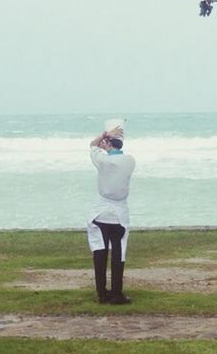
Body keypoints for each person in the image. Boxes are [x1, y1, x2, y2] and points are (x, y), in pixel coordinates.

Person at [86, 118, 136, 305]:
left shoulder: (102, 161)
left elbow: (92, 145)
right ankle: (116, 294)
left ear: (107, 144)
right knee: (118, 254)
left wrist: (104, 135)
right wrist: (111, 140)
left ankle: (102, 294)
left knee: (99, 253)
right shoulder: (130, 161)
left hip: (98, 214)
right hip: (120, 216)